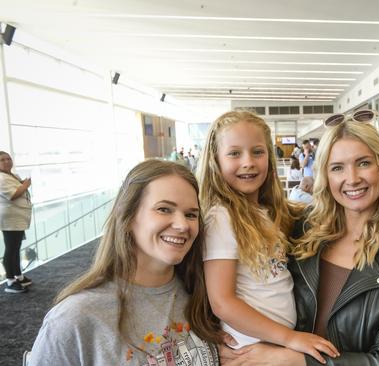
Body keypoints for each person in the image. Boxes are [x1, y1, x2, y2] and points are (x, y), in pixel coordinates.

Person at [221, 111, 379, 365]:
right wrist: (222, 331)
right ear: (325, 177)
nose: (352, 179)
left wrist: (295, 360)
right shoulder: (299, 230)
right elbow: (232, 279)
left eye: (363, 163)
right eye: (337, 168)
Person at [30, 159, 221, 365]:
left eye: (191, 214)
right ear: (128, 216)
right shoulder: (75, 317)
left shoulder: (205, 296)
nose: (183, 224)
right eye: (164, 209)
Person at [196, 111, 338, 363]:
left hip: (271, 344)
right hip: (250, 350)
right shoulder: (221, 217)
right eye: (234, 153)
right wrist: (289, 338)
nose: (248, 162)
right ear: (215, 161)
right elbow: (222, 301)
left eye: (258, 152)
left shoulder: (264, 212)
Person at [0, 151, 33, 293]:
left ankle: (19, 276)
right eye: (2, 160)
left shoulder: (11, 175)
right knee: (11, 249)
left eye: (8, 158)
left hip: (17, 216)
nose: (7, 161)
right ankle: (10, 281)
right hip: (10, 218)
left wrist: (22, 184)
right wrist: (25, 185)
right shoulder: (1, 178)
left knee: (16, 247)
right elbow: (12, 195)